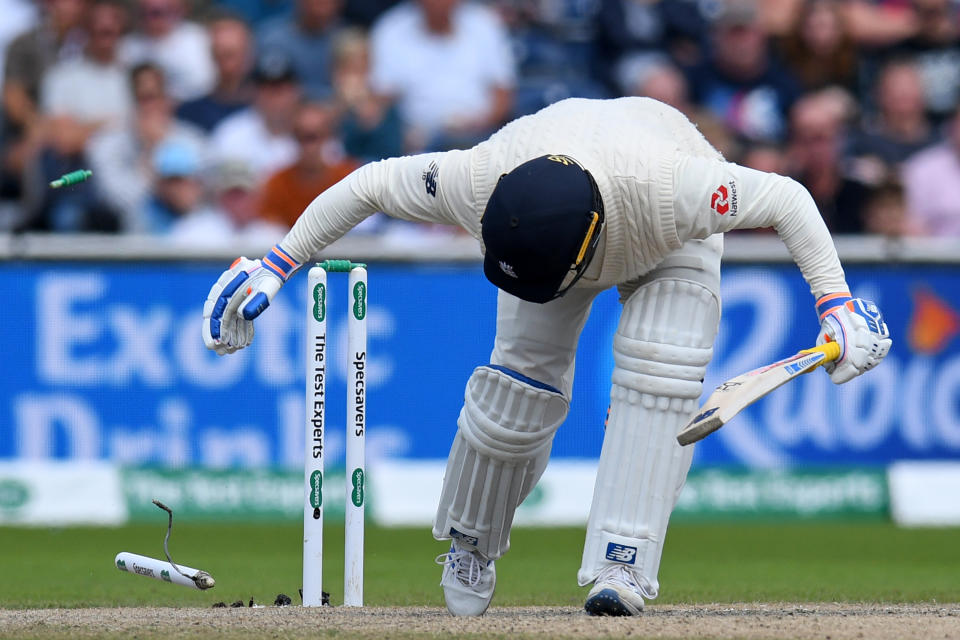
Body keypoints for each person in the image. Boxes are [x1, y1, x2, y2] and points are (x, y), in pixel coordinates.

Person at [199, 96, 892, 616]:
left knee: (660, 371)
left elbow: (787, 198)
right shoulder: (477, 180)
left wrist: (836, 303)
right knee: (516, 393)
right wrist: (277, 264)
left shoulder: (677, 191)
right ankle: (471, 539)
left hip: (662, 222)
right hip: (552, 196)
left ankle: (624, 565)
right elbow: (369, 185)